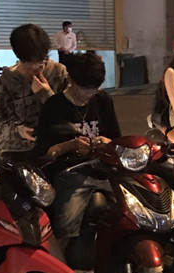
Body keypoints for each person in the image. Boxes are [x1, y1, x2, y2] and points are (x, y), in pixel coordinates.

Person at [35, 51, 120, 254]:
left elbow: (117, 140)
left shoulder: (103, 100)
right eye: (85, 88)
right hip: (71, 172)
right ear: (71, 80)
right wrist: (71, 145)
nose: (90, 93)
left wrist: (107, 143)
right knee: (66, 223)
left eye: (95, 88)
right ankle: (57, 263)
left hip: (104, 170)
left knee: (129, 211)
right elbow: (45, 153)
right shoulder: (55, 106)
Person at [0, 24, 68, 157]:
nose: (37, 66)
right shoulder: (5, 82)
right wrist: (18, 131)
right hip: (16, 150)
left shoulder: (58, 72)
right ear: (19, 56)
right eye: (30, 62)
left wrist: (46, 95)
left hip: (54, 147)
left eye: (41, 60)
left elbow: (71, 114)